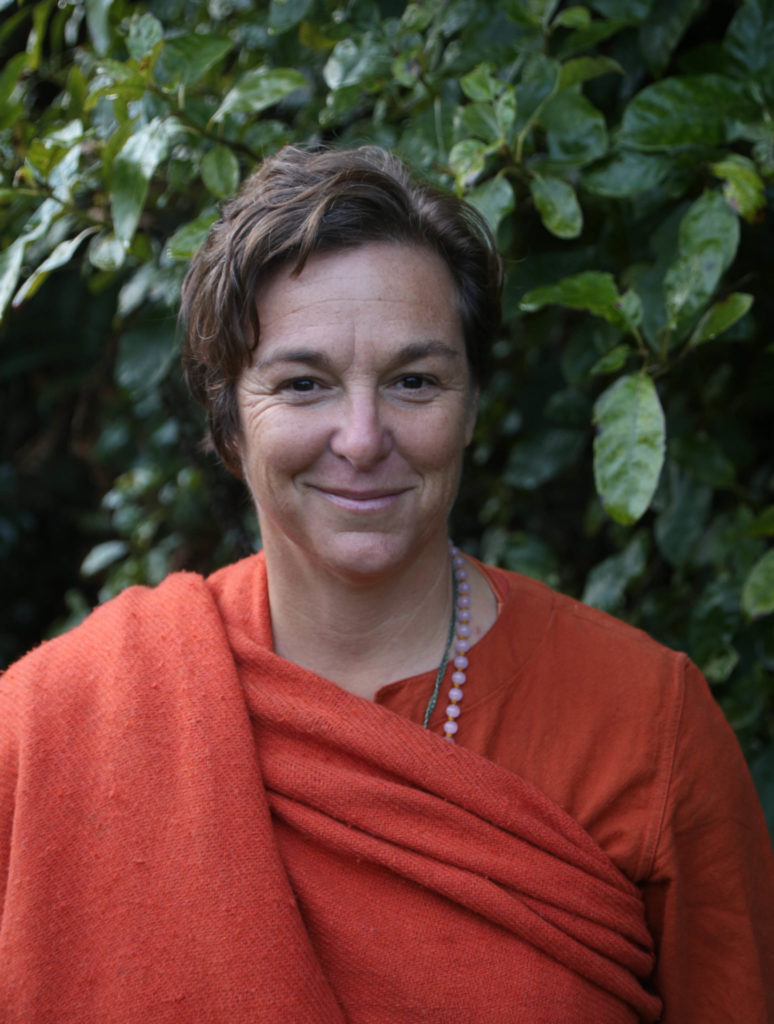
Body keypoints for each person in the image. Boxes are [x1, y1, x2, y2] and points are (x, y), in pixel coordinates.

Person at [0, 146, 772, 1023]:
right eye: (303, 384)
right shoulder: (53, 729)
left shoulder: (649, 726)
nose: (363, 439)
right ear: (228, 420)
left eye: (414, 381)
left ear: (470, 405)